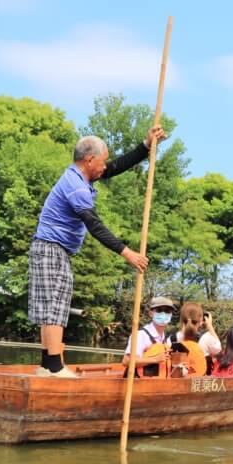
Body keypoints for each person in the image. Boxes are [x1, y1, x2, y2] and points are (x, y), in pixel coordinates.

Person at [28, 127, 166, 377]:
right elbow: (94, 225)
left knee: (52, 305)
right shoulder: (76, 186)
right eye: (101, 162)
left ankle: (47, 366)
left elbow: (115, 167)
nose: (105, 167)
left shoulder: (83, 176)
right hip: (50, 248)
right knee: (53, 307)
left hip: (52, 249)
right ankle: (54, 366)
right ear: (89, 160)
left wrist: (146, 146)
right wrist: (128, 253)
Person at [121, 296, 175, 377]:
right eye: (159, 310)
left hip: (159, 386)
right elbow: (126, 361)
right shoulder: (140, 335)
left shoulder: (166, 339)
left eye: (167, 311)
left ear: (171, 315)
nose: (163, 314)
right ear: (151, 313)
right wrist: (155, 359)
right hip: (140, 386)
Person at [173, 302, 209, 376]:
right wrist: (209, 325)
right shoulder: (206, 338)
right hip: (197, 382)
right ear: (201, 320)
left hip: (177, 383)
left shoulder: (172, 339)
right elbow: (218, 347)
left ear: (181, 320)